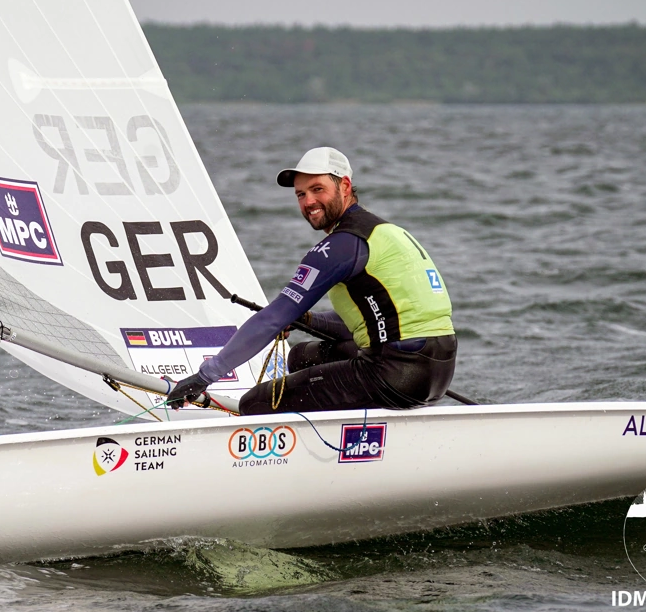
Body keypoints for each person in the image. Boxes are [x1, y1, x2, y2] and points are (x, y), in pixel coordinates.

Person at [167, 147, 457, 415]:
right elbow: (373, 320)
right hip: (436, 370)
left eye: (318, 189)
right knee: (302, 358)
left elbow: (272, 319)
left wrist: (205, 376)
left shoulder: (342, 245)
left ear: (344, 186)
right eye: (301, 194)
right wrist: (307, 320)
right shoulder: (387, 231)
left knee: (256, 402)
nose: (309, 202)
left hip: (396, 374)